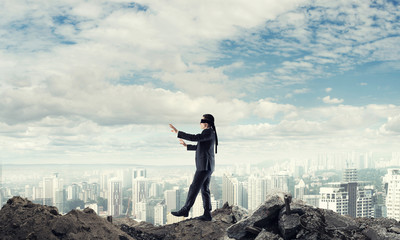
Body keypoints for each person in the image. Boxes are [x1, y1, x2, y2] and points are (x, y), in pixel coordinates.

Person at [169, 114, 218, 221]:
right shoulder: (210, 133)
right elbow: (201, 146)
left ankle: (185, 209)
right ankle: (207, 214)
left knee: (194, 187)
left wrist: (178, 132)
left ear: (206, 123)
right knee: (205, 189)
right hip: (208, 166)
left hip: (204, 167)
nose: (199, 123)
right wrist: (187, 146)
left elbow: (195, 138)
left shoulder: (208, 132)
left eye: (201, 121)